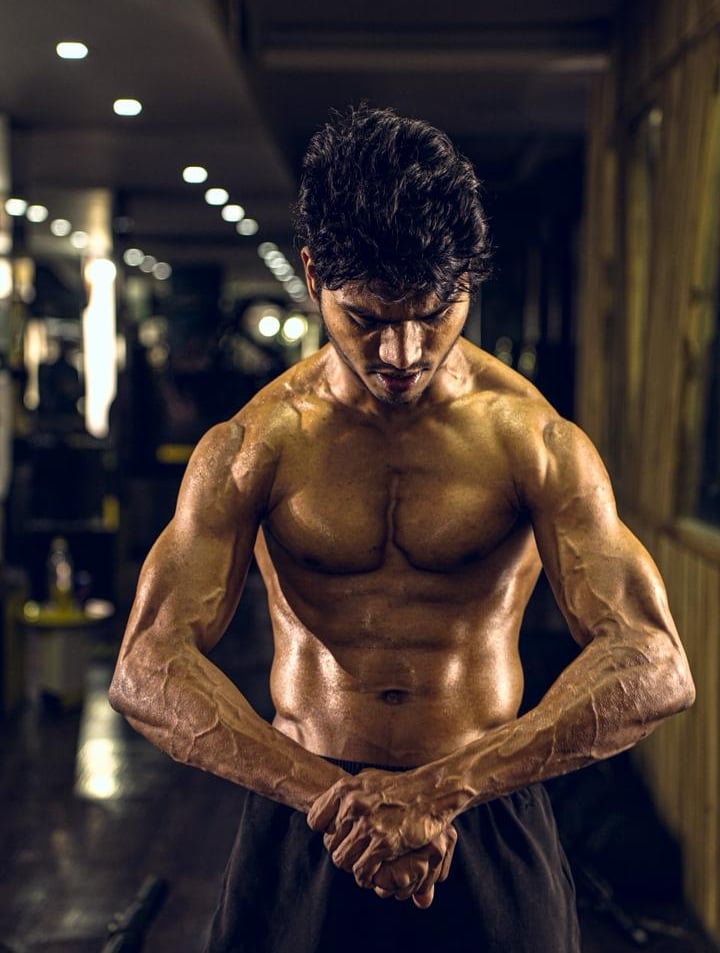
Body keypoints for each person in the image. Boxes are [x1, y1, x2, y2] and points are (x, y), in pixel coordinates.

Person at [109, 105, 695, 953]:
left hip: (484, 808)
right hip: (306, 816)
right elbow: (145, 665)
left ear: (468, 284)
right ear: (313, 275)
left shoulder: (530, 440)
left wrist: (441, 790)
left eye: (435, 311)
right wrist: (336, 801)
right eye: (369, 318)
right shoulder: (255, 444)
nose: (403, 353)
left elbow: (655, 662)